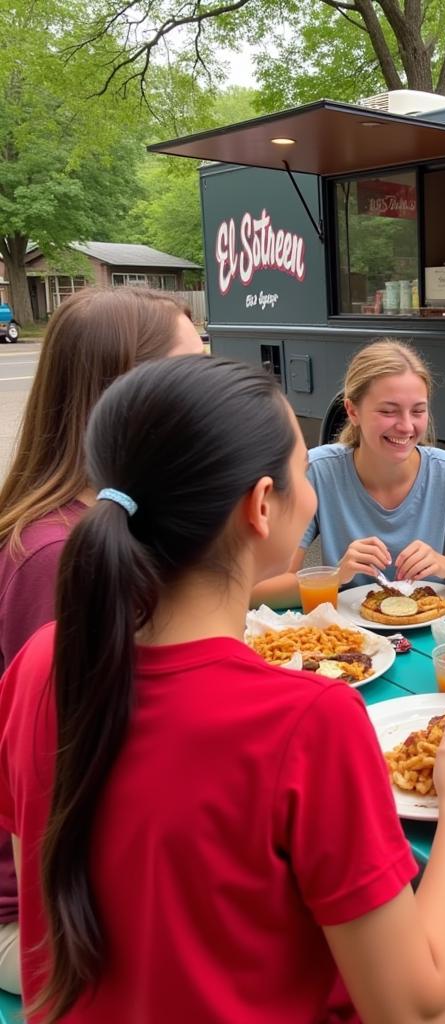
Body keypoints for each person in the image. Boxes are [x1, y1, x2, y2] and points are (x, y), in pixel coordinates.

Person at [0, 355, 445, 1023]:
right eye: (302, 471)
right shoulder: (309, 720)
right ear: (261, 506)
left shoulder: (43, 663)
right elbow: (416, 1012)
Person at [0, 285, 201, 996]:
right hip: (46, 913)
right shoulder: (54, 556)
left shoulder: (117, 517)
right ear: (125, 397)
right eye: (192, 373)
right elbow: (71, 793)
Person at [254, 339, 445, 607]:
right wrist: (337, 576)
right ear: (352, 411)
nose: (406, 427)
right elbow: (258, 591)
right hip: (348, 639)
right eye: (388, 411)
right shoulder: (318, 471)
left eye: (418, 411)